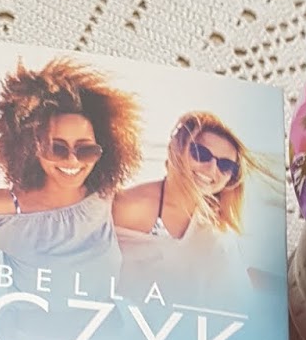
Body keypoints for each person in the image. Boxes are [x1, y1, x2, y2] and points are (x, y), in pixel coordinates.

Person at [0, 58, 142, 297]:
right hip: (23, 323)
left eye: (86, 150)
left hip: (108, 322)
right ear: (30, 147)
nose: (72, 161)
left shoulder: (105, 198)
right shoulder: (3, 208)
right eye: (56, 148)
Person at [112, 111, 276, 303]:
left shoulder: (217, 228)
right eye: (201, 154)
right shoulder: (129, 206)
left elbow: (233, 287)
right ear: (177, 150)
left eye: (225, 165)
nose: (212, 169)